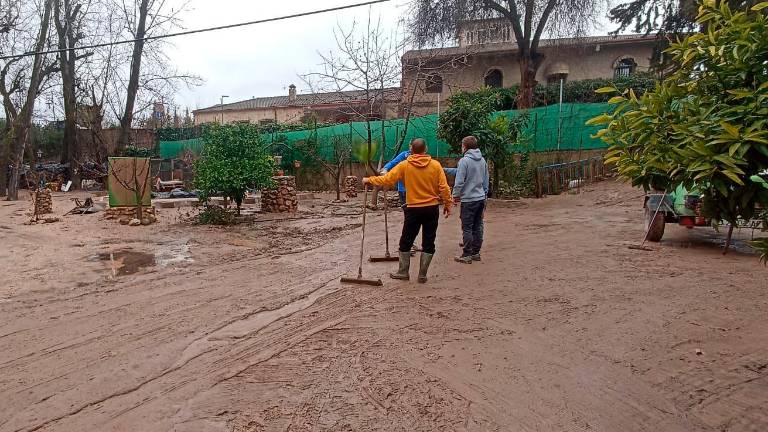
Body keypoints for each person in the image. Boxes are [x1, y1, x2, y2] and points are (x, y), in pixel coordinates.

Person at [363, 138, 453, 283]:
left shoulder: (404, 166)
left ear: (411, 149)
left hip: (413, 209)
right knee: (429, 241)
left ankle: (403, 272)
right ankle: (422, 274)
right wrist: (448, 204)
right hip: (432, 209)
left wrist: (369, 180)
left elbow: (387, 179)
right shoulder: (436, 166)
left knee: (406, 241)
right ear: (426, 149)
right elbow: (444, 187)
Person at [451, 136, 489, 264]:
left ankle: (467, 254)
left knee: (467, 227)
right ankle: (476, 253)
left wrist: (455, 196)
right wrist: (485, 196)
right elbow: (485, 179)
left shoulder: (464, 161)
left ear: (465, 146)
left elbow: (459, 181)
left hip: (469, 200)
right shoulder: (482, 160)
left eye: (462, 145)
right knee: (477, 226)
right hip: (480, 198)